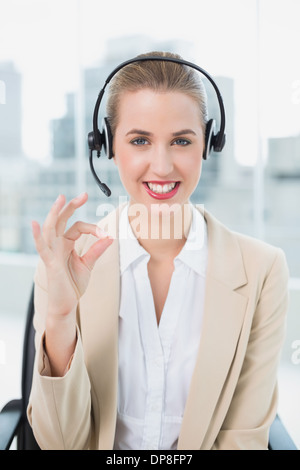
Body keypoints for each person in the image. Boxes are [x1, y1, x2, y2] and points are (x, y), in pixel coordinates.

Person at [27, 51, 289, 450]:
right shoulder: (64, 263)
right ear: (108, 145)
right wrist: (61, 318)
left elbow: (242, 438)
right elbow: (59, 443)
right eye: (140, 141)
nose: (162, 166)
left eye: (181, 140)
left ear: (207, 144)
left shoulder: (262, 270)